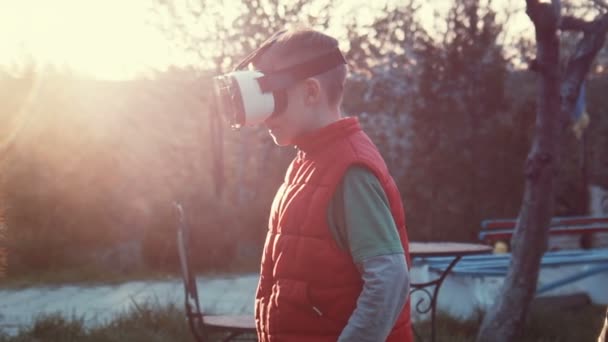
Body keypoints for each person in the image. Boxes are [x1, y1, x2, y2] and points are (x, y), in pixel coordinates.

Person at [251, 27, 413, 342]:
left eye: (273, 97)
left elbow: (390, 280)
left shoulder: (350, 170)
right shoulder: (308, 160)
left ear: (311, 93)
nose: (264, 115)